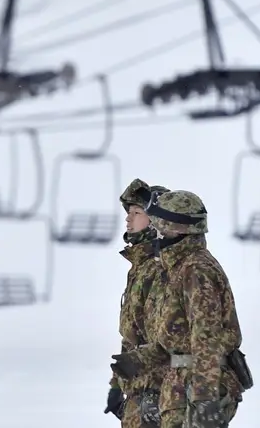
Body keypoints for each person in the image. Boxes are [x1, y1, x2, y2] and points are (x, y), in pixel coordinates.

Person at [109, 190, 253, 428]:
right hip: (180, 386)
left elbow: (205, 339)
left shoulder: (196, 270)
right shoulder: (177, 268)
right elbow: (175, 337)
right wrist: (138, 360)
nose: (155, 226)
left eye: (159, 221)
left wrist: (205, 398)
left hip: (196, 386)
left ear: (175, 225)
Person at [104, 178, 170, 428]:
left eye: (137, 212)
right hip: (138, 389)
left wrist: (155, 392)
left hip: (157, 389)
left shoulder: (161, 268)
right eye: (129, 212)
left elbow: (163, 338)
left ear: (155, 220)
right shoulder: (140, 267)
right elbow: (131, 337)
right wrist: (116, 385)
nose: (128, 219)